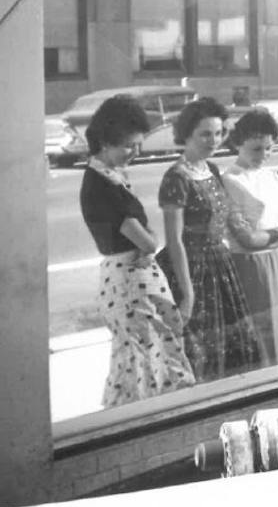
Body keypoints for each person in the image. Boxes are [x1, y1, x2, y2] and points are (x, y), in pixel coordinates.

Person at [78, 94, 194, 407]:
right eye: (129, 145)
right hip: (129, 282)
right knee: (147, 355)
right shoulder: (102, 186)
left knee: (137, 356)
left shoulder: (105, 178)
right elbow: (147, 241)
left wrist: (148, 241)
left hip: (128, 279)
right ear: (104, 141)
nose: (134, 152)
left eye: (137, 144)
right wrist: (150, 243)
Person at [158, 97, 261, 383]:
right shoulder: (176, 178)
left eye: (218, 133)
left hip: (220, 266)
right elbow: (174, 240)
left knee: (230, 350)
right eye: (205, 134)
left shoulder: (211, 169)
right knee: (196, 351)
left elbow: (230, 220)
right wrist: (187, 294)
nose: (213, 140)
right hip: (190, 270)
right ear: (187, 134)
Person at [221, 108, 278, 365]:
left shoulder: (274, 178)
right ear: (238, 144)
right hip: (248, 267)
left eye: (269, 148)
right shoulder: (231, 180)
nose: (264, 155)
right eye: (257, 149)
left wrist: (270, 236)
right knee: (260, 338)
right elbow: (247, 241)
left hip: (276, 263)